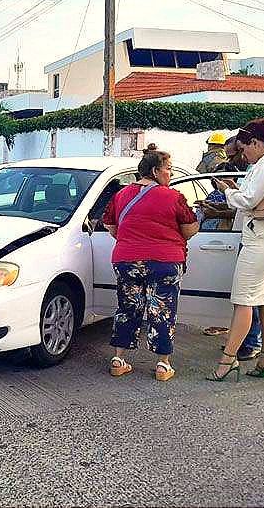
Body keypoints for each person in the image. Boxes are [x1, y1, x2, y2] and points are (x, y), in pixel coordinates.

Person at [103, 144, 200, 381]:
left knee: (127, 308)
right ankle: (162, 365)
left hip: (126, 260)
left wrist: (131, 240)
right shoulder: (174, 197)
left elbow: (110, 225)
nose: (171, 174)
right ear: (156, 171)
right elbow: (189, 229)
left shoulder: (120, 195)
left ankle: (118, 359)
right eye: (168, 169)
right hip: (164, 262)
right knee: (162, 311)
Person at [207, 118, 264, 382]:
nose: (243, 154)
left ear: (256, 143)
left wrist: (227, 192)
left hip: (261, 241)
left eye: (245, 148)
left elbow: (248, 200)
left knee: (243, 302)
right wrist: (237, 191)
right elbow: (257, 197)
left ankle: (228, 360)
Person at [200, 136, 263, 360]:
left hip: (254, 242)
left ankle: (251, 343)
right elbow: (240, 205)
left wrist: (221, 205)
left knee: (249, 298)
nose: (236, 157)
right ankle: (243, 342)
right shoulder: (250, 175)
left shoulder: (257, 174)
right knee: (247, 298)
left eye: (236, 153)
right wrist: (219, 205)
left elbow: (245, 207)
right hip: (250, 240)